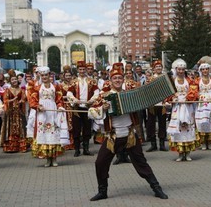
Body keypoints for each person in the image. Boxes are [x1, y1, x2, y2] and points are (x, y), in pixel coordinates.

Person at [88, 67, 168, 201]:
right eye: (115, 78)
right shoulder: (104, 96)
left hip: (130, 134)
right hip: (112, 136)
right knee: (100, 162)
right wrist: (103, 108)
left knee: (141, 162)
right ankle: (102, 191)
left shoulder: (129, 94)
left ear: (123, 80)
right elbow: (91, 112)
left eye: (120, 78)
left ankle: (156, 188)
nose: (118, 80)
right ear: (110, 80)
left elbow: (143, 103)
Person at [28, 66, 69, 167]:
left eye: (46, 75)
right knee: (44, 134)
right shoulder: (36, 88)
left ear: (49, 75)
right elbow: (32, 101)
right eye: (42, 75)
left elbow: (59, 100)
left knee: (54, 134)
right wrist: (37, 106)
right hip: (42, 113)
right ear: (40, 76)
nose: (44, 77)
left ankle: (54, 159)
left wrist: (60, 107)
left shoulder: (56, 86)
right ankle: (47, 159)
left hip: (53, 112)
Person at [167, 58, 200, 161]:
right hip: (177, 107)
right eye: (179, 69)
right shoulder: (172, 81)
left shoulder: (190, 81)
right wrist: (173, 98)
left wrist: (187, 98)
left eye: (182, 69)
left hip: (188, 107)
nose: (180, 71)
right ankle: (180, 154)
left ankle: (188, 153)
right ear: (176, 69)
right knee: (179, 129)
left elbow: (194, 92)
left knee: (188, 128)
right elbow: (168, 94)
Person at [67, 61, 99, 157]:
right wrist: (75, 100)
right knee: (76, 129)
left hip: (87, 108)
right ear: (77, 70)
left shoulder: (91, 81)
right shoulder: (74, 82)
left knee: (87, 128)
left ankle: (86, 149)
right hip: (77, 108)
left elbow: (97, 92)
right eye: (80, 69)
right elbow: (69, 93)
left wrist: (91, 100)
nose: (82, 71)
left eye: (83, 69)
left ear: (86, 70)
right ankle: (77, 149)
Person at [0, 69, 28, 153]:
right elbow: (5, 100)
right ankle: (11, 146)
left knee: (21, 128)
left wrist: (21, 101)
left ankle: (21, 145)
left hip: (19, 112)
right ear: (10, 81)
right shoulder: (7, 90)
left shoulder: (21, 90)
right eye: (12, 80)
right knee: (11, 128)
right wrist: (12, 100)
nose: (14, 81)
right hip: (10, 113)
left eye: (15, 79)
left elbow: (24, 98)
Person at [195, 62, 211, 150]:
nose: (205, 71)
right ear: (200, 70)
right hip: (201, 103)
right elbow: (194, 91)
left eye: (206, 69)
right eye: (203, 69)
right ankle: (203, 142)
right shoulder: (197, 80)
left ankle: (209, 141)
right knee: (202, 121)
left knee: (210, 120)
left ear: (209, 70)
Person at [146, 60, 168, 152]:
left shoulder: (165, 78)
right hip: (152, 104)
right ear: (153, 69)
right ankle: (153, 144)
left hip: (162, 104)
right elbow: (146, 91)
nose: (158, 68)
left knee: (162, 123)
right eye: (157, 66)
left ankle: (162, 144)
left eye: (160, 66)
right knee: (151, 124)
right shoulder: (150, 79)